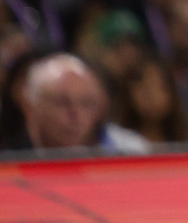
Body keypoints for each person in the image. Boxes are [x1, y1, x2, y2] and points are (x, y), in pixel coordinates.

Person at [21, 52, 149, 152]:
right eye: (62, 102)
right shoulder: (7, 161)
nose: (75, 114)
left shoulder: (131, 152)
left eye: (86, 103)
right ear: (30, 106)